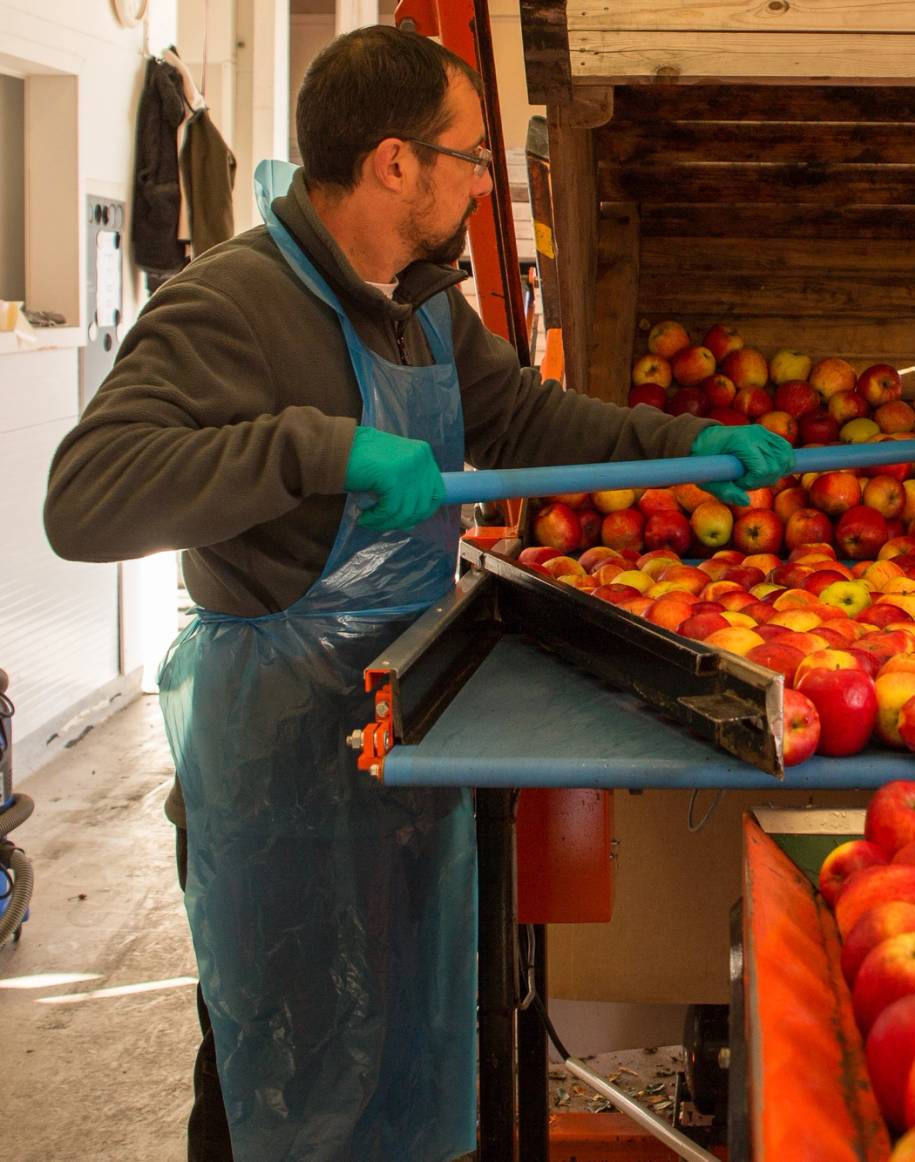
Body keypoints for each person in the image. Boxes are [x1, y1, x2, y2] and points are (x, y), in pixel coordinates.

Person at [42, 26, 791, 1162]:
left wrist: (687, 443)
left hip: (400, 733)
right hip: (276, 770)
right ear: (398, 163)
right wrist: (316, 449)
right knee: (271, 1070)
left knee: (392, 1050)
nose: (483, 178)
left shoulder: (421, 298)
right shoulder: (230, 305)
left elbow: (526, 421)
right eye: (472, 155)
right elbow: (83, 500)